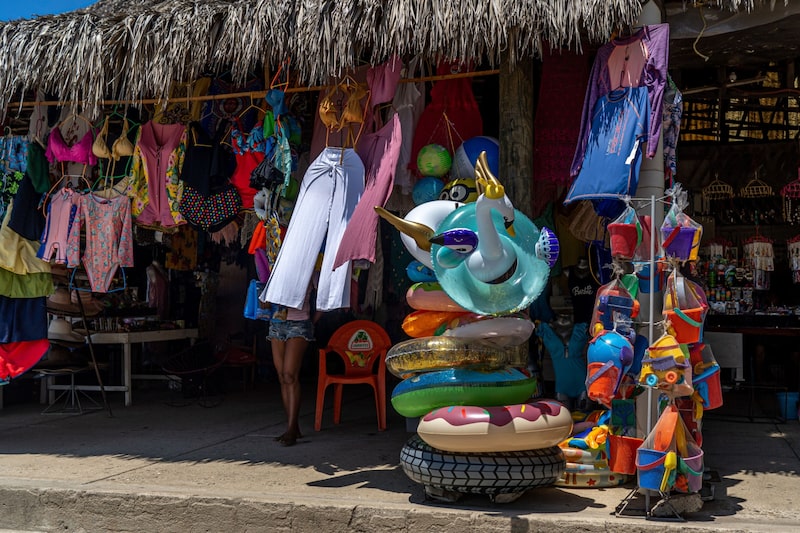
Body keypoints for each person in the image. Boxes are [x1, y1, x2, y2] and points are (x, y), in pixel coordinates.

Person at [267, 275, 318, 447]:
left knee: (289, 375)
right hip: (276, 322)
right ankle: (293, 426)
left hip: (299, 324)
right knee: (282, 376)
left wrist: (311, 321)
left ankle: (291, 429)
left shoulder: (310, 265)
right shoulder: (276, 263)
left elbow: (328, 296)